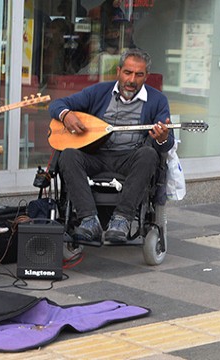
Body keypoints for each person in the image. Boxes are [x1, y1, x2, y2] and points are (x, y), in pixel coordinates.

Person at [48, 48, 173, 243]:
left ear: (146, 76)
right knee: (69, 155)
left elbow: (167, 143)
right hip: (96, 156)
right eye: (127, 73)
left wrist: (162, 137)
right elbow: (57, 104)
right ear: (118, 71)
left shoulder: (157, 100)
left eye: (139, 75)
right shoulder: (99, 91)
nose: (132, 80)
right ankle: (89, 220)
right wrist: (66, 115)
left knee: (149, 154)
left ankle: (121, 220)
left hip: (130, 158)